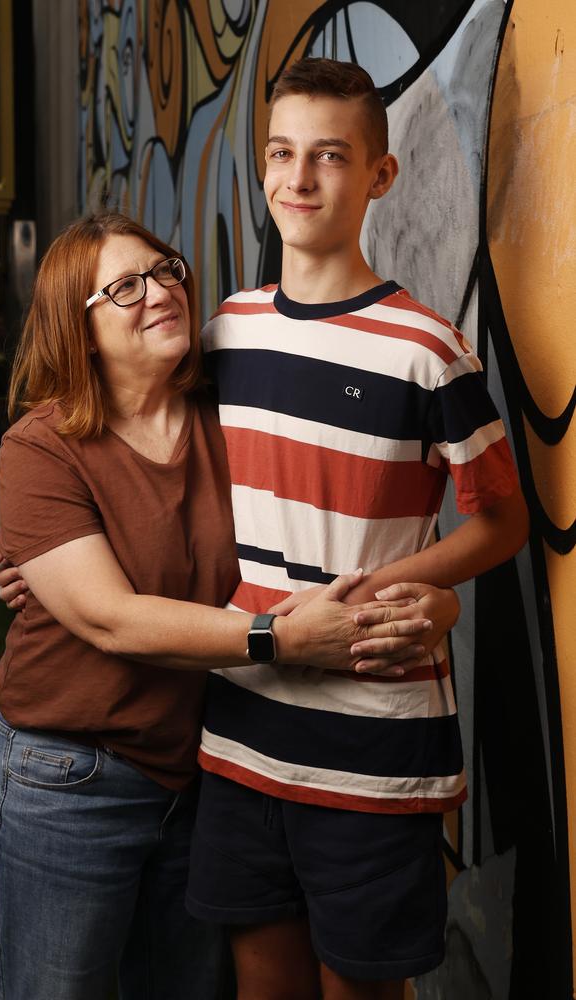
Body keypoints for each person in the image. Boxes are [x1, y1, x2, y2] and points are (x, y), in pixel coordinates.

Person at [0, 211, 456, 1000]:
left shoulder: (229, 415)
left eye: (164, 269)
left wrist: (434, 600)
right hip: (73, 777)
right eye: (125, 287)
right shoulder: (43, 448)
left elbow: (336, 537)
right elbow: (110, 618)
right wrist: (281, 639)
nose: (160, 291)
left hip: (205, 775)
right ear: (78, 325)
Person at [178, 58, 529, 1000]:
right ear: (261, 169)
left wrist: (397, 588)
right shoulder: (226, 333)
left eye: (329, 156)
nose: (299, 178)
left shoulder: (426, 350)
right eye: (281, 154)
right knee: (263, 987)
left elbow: (501, 522)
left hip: (375, 741)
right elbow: (154, 467)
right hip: (242, 726)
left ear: (379, 175)